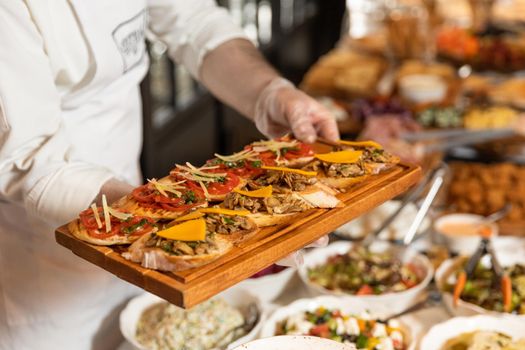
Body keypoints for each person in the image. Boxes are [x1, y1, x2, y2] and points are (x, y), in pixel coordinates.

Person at [0, 1, 339, 349]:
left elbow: (194, 22)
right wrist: (159, 215)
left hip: (138, 211)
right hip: (45, 259)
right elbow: (28, 159)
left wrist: (270, 91)